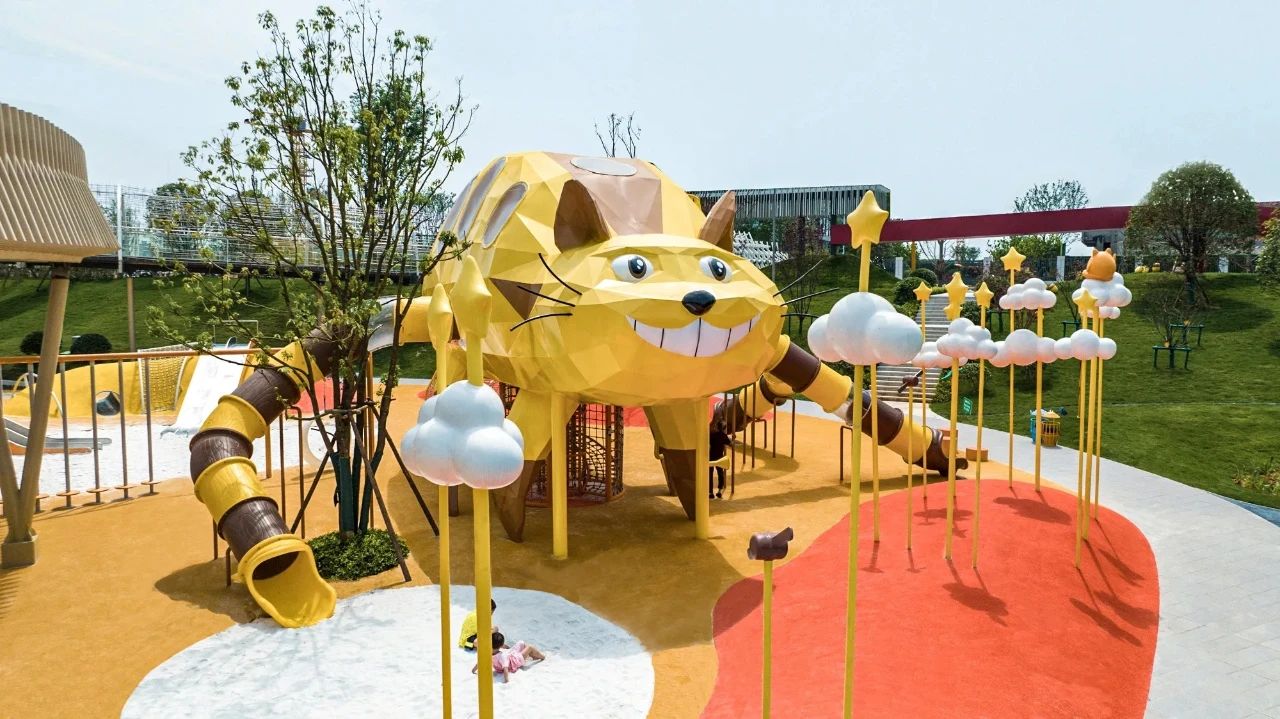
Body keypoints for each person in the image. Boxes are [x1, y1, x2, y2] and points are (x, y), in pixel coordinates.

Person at [472, 632, 545, 683]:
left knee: (521, 643)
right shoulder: (502, 656)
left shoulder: (486, 653)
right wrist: (506, 680)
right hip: (515, 661)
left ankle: (531, 655)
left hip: (509, 657)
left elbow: (479, 662)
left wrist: (473, 670)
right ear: (501, 646)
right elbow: (505, 669)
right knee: (530, 647)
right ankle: (541, 657)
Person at [709, 419, 732, 499]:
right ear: (724, 427)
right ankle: (719, 491)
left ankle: (710, 492)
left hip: (711, 456)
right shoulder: (723, 436)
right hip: (719, 457)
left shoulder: (712, 435)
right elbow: (730, 444)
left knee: (710, 474)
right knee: (720, 474)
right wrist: (732, 439)